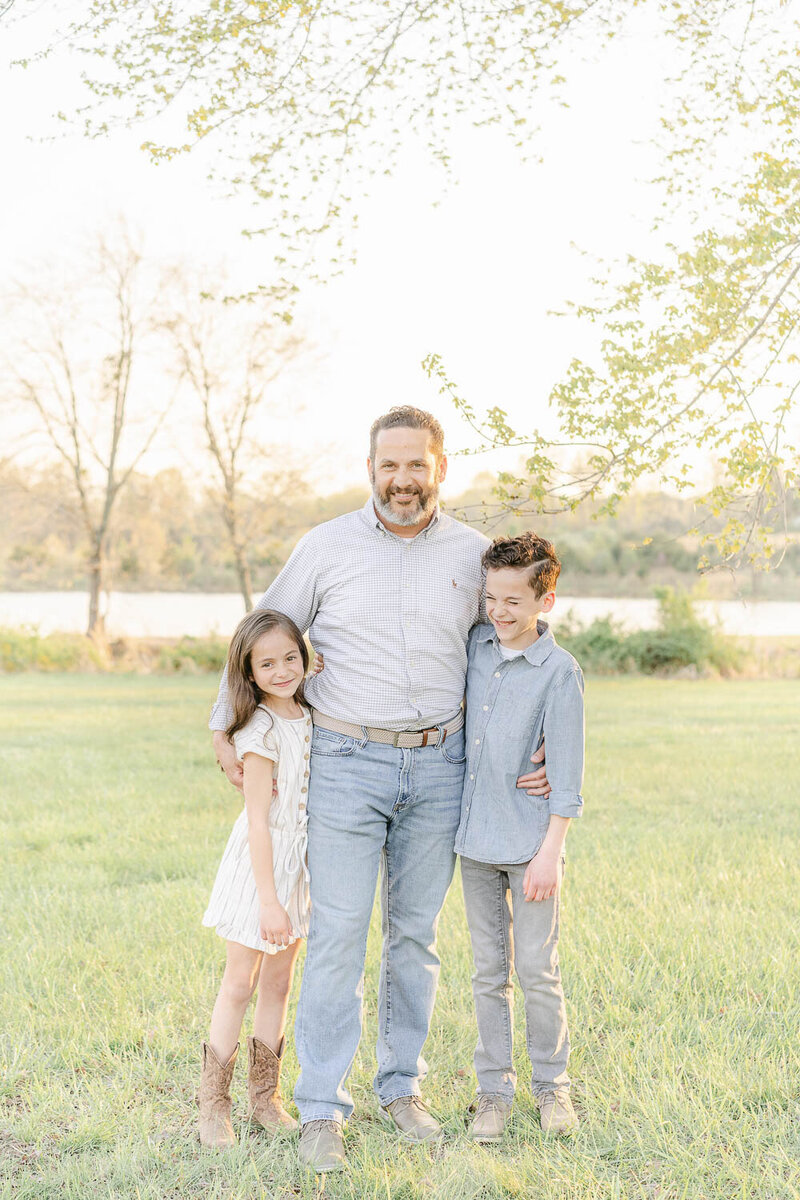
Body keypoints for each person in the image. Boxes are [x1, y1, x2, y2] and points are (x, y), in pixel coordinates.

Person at [210, 406, 552, 1172]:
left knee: (413, 940)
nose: (403, 480)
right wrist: (221, 725)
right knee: (335, 936)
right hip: (346, 763)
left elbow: (521, 640)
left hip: (440, 765)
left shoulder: (471, 554)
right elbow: (261, 631)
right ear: (371, 469)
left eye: (416, 465)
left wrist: (545, 745)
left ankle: (402, 1088)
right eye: (389, 465)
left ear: (440, 468)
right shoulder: (324, 546)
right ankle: (322, 1107)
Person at [455, 532, 584, 1143]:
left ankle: (553, 1087)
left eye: (513, 600)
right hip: (474, 844)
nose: (500, 611)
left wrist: (551, 852)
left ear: (545, 600)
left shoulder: (559, 672)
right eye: (492, 598)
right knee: (488, 973)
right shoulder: (476, 647)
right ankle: (493, 1094)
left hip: (531, 848)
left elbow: (567, 771)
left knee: (536, 969)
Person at [199, 609, 313, 1149]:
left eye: (291, 657)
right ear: (247, 672)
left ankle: (264, 1099)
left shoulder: (310, 713)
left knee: (279, 983)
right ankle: (212, 1106)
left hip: (298, 871)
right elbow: (258, 822)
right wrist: (268, 901)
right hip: (259, 872)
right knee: (239, 984)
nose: (282, 669)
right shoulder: (259, 729)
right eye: (267, 663)